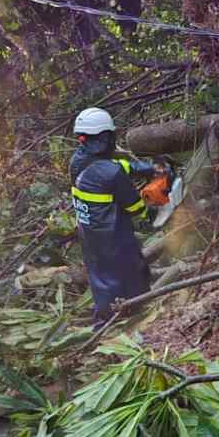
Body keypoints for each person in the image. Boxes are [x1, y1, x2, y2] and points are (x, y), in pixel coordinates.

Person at [69, 107, 158, 326]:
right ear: (106, 137)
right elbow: (134, 206)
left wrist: (141, 168)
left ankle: (106, 316)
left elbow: (109, 168)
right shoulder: (112, 172)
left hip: (88, 230)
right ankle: (132, 315)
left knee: (101, 278)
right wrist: (152, 212)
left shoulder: (78, 161)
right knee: (131, 270)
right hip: (113, 233)